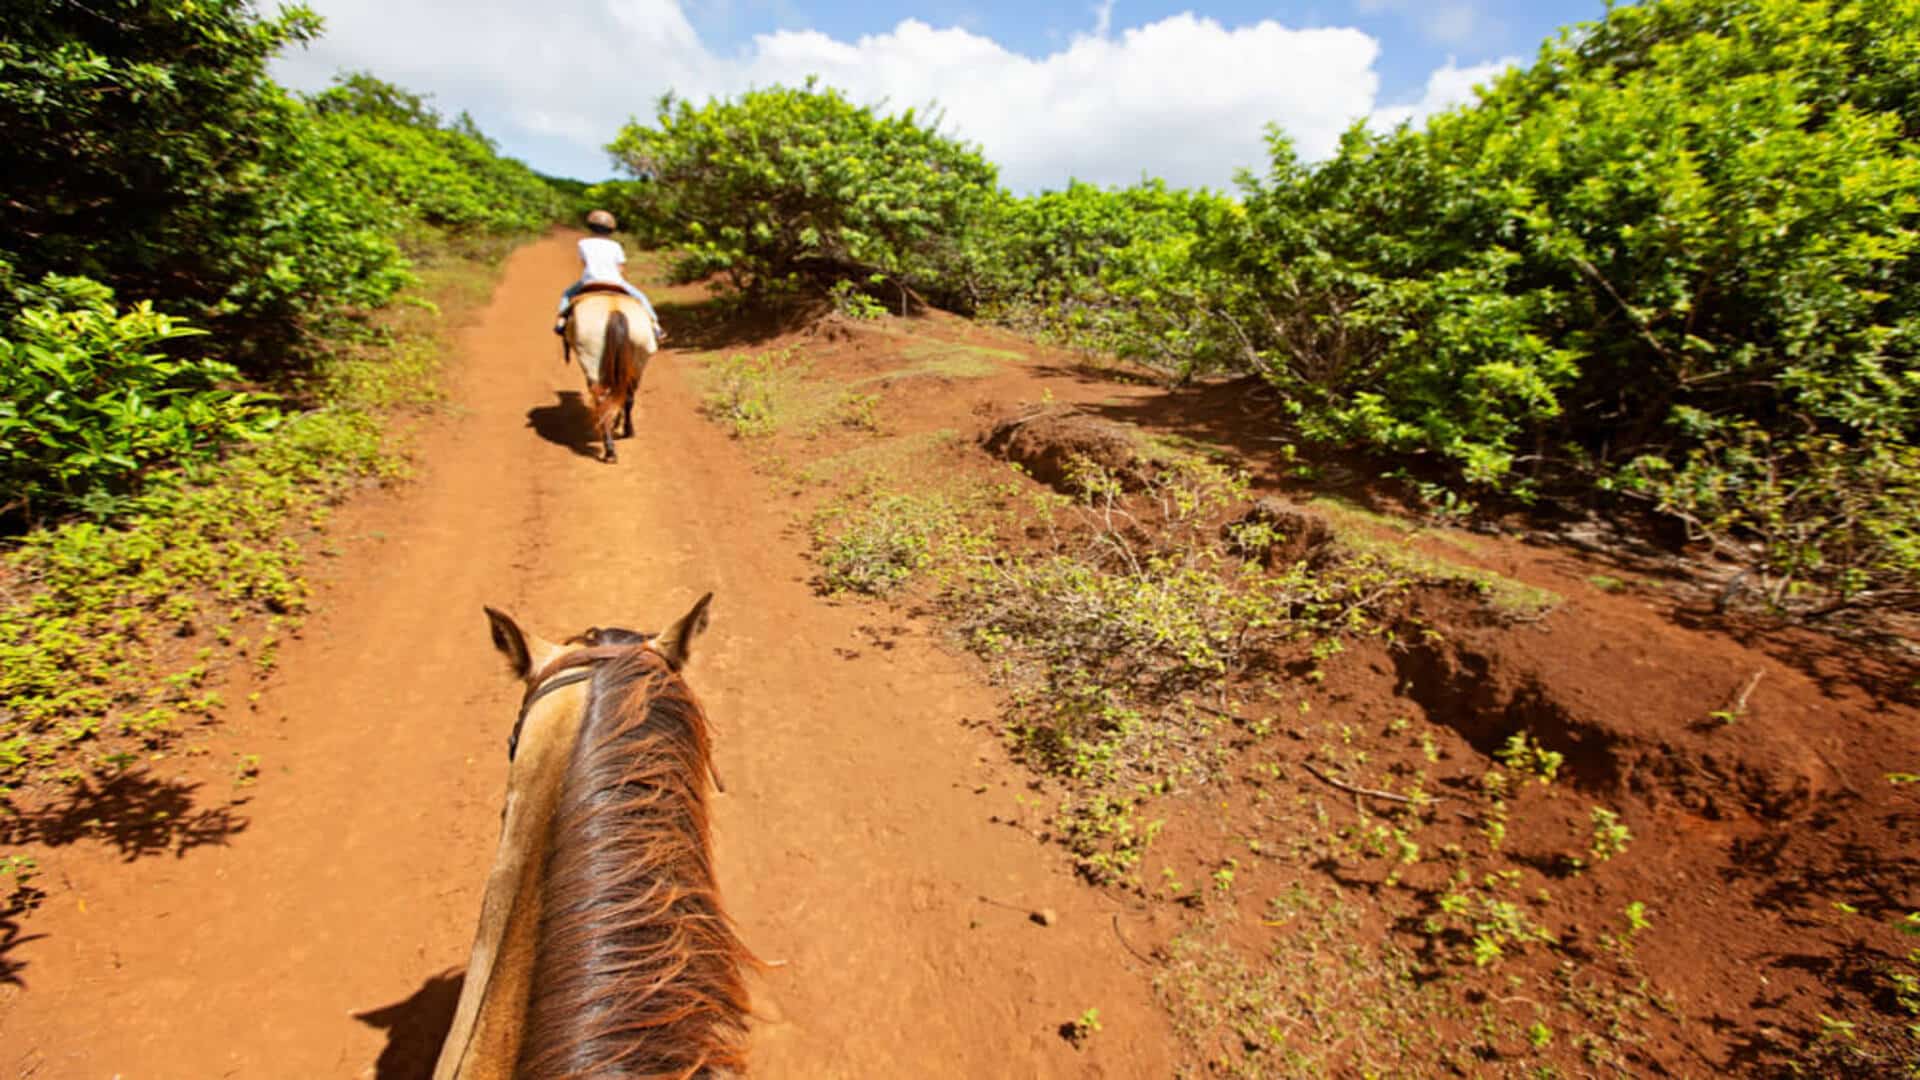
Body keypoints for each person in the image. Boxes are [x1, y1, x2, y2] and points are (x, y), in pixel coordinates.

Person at [553, 209, 665, 339]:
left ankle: (561, 321)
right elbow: (620, 267)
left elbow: (584, 263)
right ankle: (656, 326)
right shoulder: (616, 245)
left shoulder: (582, 243)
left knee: (567, 294)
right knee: (641, 297)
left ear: (590, 227)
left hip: (590, 281)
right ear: (611, 229)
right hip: (615, 281)